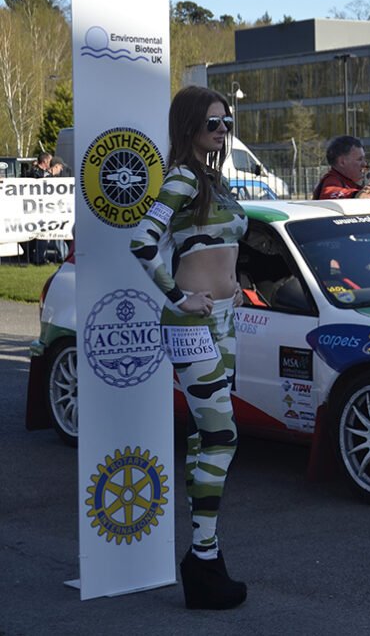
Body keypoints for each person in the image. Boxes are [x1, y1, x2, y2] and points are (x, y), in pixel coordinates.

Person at [129, 85, 248, 609]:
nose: (221, 131)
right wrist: (178, 293)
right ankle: (203, 557)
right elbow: (142, 240)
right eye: (212, 123)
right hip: (189, 323)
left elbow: (222, 246)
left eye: (227, 122)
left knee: (205, 439)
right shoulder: (180, 176)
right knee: (221, 436)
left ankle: (205, 565)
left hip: (225, 320)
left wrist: (235, 281)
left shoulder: (213, 181)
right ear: (189, 126)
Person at [312, 135, 370, 201]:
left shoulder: (349, 184)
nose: (364, 164)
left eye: (364, 159)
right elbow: (331, 194)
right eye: (359, 159)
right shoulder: (331, 181)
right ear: (342, 162)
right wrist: (356, 195)